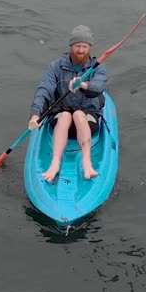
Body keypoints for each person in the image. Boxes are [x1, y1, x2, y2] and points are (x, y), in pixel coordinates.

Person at [29, 24, 108, 183]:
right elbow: (44, 91)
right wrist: (35, 115)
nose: (81, 50)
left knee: (79, 114)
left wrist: (83, 85)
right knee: (65, 115)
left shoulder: (97, 67)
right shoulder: (56, 67)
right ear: (71, 47)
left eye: (84, 46)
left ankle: (87, 164)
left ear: (89, 48)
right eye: (77, 46)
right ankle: (55, 163)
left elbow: (99, 86)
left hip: (88, 118)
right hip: (61, 118)